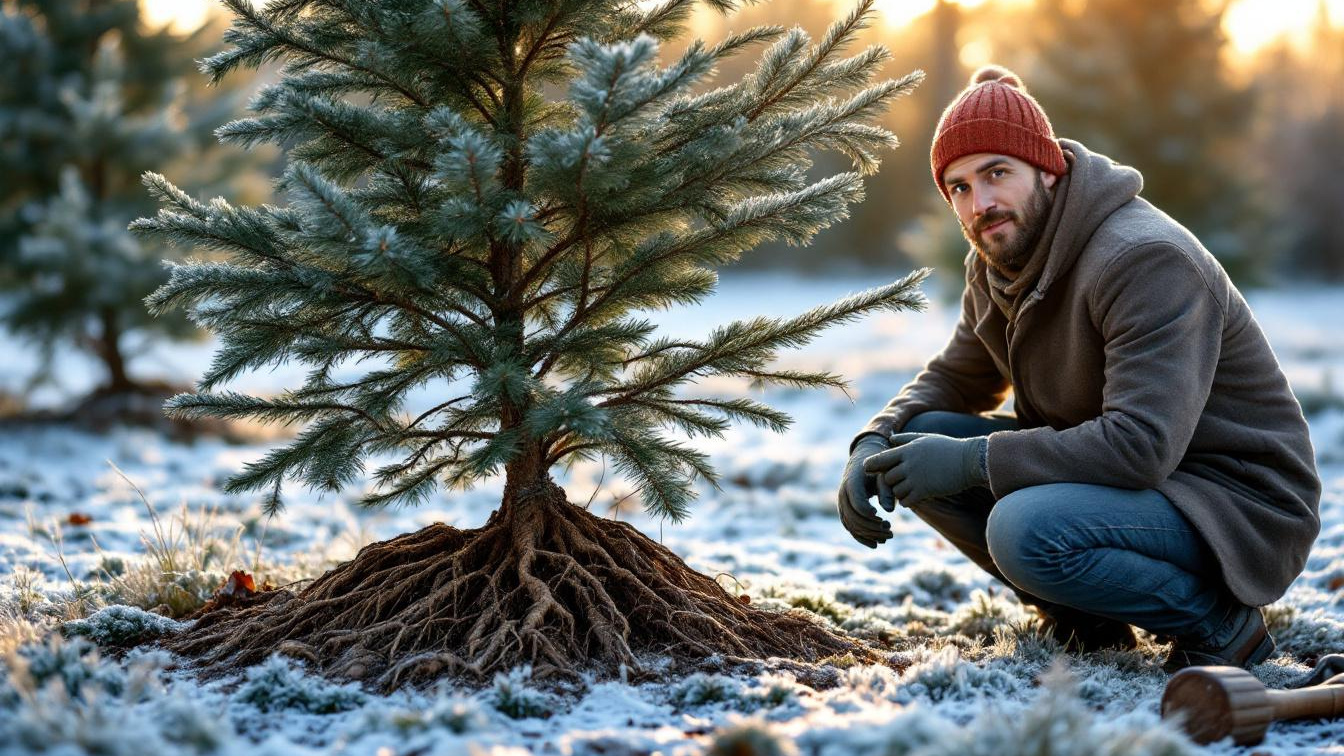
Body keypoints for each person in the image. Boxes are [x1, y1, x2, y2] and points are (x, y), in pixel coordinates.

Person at [838, 65, 1321, 672]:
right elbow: (957, 378)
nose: (980, 204)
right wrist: (874, 440)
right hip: (1134, 485)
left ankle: (1220, 625)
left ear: (1047, 167)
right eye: (959, 187)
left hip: (1231, 502)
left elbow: (1140, 446)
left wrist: (969, 462)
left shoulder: (1144, 260)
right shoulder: (999, 260)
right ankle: (1088, 622)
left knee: (1022, 527)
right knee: (919, 439)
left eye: (996, 174)